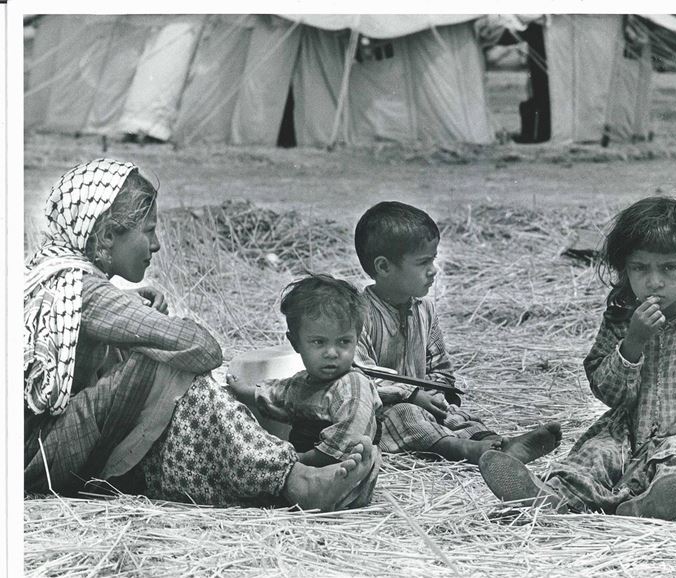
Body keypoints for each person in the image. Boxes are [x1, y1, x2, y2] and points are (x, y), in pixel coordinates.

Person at [23, 158, 378, 511]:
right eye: (148, 231)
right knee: (165, 365)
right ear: (107, 235)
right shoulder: (86, 292)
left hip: (48, 450)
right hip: (43, 458)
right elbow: (203, 348)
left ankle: (286, 482)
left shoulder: (62, 278)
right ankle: (295, 480)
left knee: (174, 407)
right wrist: (150, 327)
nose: (156, 244)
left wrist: (130, 309)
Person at [479, 196, 676, 520]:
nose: (654, 281)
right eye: (640, 268)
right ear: (625, 270)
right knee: (596, 453)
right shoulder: (620, 323)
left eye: (668, 268)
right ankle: (551, 496)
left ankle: (656, 501)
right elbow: (606, 391)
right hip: (627, 436)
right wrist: (632, 342)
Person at [353, 201, 562, 465]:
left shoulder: (425, 309)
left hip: (425, 403)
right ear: (384, 267)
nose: (434, 269)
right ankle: (468, 451)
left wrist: (439, 392)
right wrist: (412, 394)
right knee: (406, 416)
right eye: (423, 262)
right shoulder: (358, 314)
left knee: (456, 416)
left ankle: (501, 445)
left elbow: (439, 365)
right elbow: (362, 375)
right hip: (381, 411)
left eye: (433, 259)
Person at [227, 275, 382, 486]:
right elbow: (274, 395)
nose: (332, 353)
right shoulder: (302, 383)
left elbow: (349, 437)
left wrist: (300, 460)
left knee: (353, 462)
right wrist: (239, 389)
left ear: (356, 339)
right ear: (295, 343)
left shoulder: (354, 386)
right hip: (306, 466)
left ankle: (342, 485)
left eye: (344, 341)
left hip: (338, 463)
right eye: (318, 342)